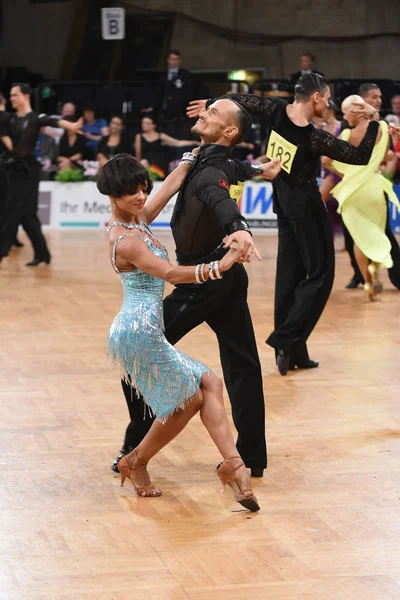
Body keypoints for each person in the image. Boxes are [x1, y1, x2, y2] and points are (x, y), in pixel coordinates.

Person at [113, 98, 282, 479]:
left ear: (229, 132)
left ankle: (133, 449)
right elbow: (235, 166)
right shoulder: (207, 157)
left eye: (213, 112)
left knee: (139, 354)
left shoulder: (208, 173)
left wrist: (239, 228)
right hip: (223, 280)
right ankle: (252, 456)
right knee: (243, 365)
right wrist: (259, 168)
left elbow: (221, 200)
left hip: (203, 282)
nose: (203, 112)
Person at [187, 73, 380, 376]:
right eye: (326, 97)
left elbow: (240, 100)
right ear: (315, 97)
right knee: (321, 274)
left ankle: (290, 353)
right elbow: (360, 155)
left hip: (283, 204)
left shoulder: (277, 111)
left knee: (289, 276)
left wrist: (213, 104)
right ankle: (286, 339)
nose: (327, 103)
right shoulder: (312, 136)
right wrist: (375, 123)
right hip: (305, 207)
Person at [99, 153, 260, 512]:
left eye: (142, 188)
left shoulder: (137, 220)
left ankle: (233, 465)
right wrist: (221, 265)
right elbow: (171, 274)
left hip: (147, 327)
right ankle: (136, 459)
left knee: (211, 383)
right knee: (188, 400)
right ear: (112, 195)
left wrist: (191, 157)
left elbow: (169, 187)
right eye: (131, 192)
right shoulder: (125, 240)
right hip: (135, 332)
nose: (141, 197)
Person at [323, 95, 400, 300]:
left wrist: (346, 173)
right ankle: (375, 272)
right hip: (374, 188)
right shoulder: (382, 127)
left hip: (353, 192)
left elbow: (326, 160)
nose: (345, 115)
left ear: (355, 111)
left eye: (346, 111)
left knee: (359, 240)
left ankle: (367, 282)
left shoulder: (347, 134)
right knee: (377, 234)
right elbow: (385, 156)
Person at [0, 83, 83, 266]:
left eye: (15, 95)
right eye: (11, 95)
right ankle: (42, 253)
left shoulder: (35, 118)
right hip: (13, 170)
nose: (12, 98)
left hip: (29, 171)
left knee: (15, 210)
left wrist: (70, 125)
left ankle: (2, 250)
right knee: (27, 214)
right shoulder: (11, 119)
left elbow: (53, 121)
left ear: (25, 96)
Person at [344, 83, 400, 290]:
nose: (378, 101)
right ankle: (363, 277)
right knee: (356, 236)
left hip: (365, 186)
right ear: (361, 101)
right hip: (358, 187)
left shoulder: (379, 126)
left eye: (379, 97)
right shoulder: (350, 129)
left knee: (378, 232)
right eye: (374, 97)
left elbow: (385, 155)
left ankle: (368, 278)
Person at [144, 50, 193, 140]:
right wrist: (153, 106)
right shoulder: (162, 75)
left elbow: (188, 93)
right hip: (164, 111)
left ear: (179, 60)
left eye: (176, 59)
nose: (173, 61)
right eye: (172, 59)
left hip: (179, 112)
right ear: (168, 60)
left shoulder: (185, 75)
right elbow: (158, 93)